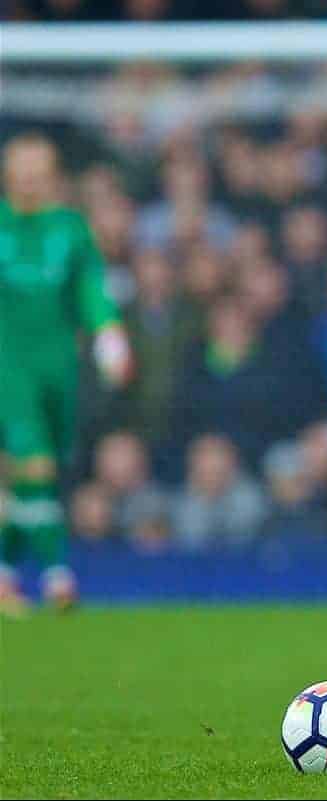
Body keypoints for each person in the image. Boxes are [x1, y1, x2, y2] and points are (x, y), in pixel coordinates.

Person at [0, 134, 133, 615]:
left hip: (60, 369)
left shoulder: (71, 229)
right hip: (8, 366)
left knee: (36, 480)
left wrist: (109, 337)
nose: (32, 179)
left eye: (40, 170)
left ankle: (6, 574)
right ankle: (58, 577)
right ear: (8, 174)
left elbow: (91, 289)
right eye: (23, 170)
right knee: (33, 465)